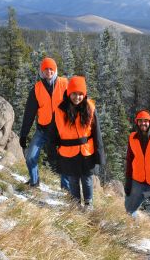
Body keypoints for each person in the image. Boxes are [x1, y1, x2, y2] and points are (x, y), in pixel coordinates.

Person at [52, 76, 105, 208]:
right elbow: (54, 132)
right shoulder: (60, 109)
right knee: (73, 179)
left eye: (81, 94)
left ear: (84, 94)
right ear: (69, 92)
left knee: (87, 179)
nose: (77, 97)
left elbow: (96, 133)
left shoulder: (90, 108)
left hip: (86, 151)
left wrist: (100, 155)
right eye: (74, 94)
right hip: (67, 151)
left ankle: (88, 204)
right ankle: (75, 205)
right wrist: (52, 152)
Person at [19, 57, 70, 189]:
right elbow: (29, 114)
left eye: (51, 69)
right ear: (42, 71)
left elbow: (76, 103)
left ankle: (67, 190)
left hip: (61, 131)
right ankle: (34, 181)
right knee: (30, 156)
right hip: (43, 130)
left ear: (55, 70)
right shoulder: (37, 89)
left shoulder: (64, 84)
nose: (48, 71)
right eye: (46, 69)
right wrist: (23, 135)